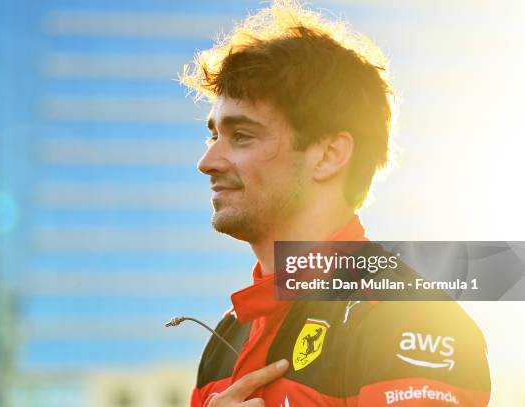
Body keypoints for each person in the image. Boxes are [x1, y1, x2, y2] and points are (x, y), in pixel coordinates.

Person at [180, 1, 491, 405]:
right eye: (213, 136)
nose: (208, 162)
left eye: (242, 136)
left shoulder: (408, 318)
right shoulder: (226, 337)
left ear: (328, 156)